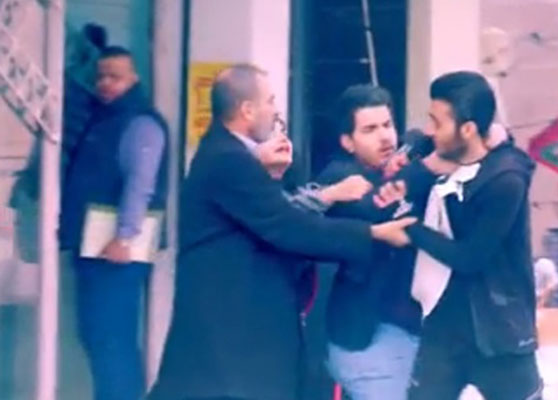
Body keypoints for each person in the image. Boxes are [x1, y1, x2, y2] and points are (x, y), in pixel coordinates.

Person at [148, 64, 416, 400]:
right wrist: (372, 233)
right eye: (270, 101)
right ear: (247, 110)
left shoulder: (233, 156)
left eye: (387, 126)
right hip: (229, 327)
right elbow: (288, 226)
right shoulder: (229, 160)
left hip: (240, 333)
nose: (275, 111)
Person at [378, 71, 542, 400]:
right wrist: (414, 162)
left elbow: (470, 257)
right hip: (443, 327)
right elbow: (417, 142)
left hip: (498, 330)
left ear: (468, 129)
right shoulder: (441, 154)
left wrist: (411, 229)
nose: (429, 130)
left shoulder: (504, 180)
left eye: (437, 123)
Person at [313, 85, 444, 400]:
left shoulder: (399, 165)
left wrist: (413, 149)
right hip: (368, 334)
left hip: (409, 328)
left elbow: (419, 137)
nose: (384, 137)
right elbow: (378, 207)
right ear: (347, 141)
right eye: (369, 130)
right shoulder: (341, 177)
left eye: (387, 125)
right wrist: (421, 168)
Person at [60, 46, 168, 400]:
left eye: (115, 77)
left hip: (116, 252)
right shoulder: (104, 118)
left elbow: (140, 183)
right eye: (101, 76)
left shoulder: (139, 123)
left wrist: (124, 236)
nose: (105, 83)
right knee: (98, 335)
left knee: (111, 339)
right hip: (96, 248)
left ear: (133, 79)